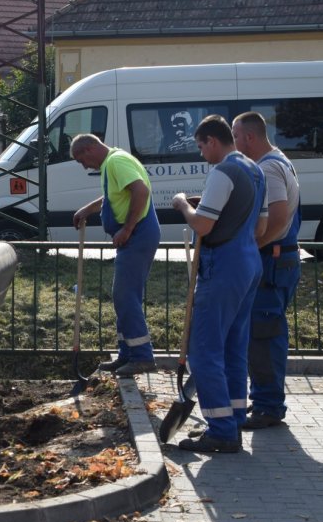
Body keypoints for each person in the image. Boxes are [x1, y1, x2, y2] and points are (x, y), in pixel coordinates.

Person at [171, 115, 267, 454]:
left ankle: (222, 431)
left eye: (200, 146)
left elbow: (203, 226)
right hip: (249, 262)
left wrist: (183, 203)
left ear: (213, 140)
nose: (201, 154)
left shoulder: (222, 172)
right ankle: (234, 417)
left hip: (224, 266)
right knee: (232, 348)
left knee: (204, 350)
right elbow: (260, 226)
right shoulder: (255, 170)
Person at [232, 111, 302, 430]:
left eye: (235, 136)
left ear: (249, 137)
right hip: (277, 259)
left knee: (264, 335)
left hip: (273, 261)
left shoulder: (269, 168)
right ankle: (263, 400)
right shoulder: (277, 162)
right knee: (261, 335)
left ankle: (268, 407)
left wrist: (253, 246)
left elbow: (276, 217)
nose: (233, 143)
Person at [71, 133, 160, 376]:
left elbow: (140, 191)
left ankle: (142, 356)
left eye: (81, 160)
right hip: (136, 236)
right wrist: (88, 209)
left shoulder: (116, 162)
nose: (84, 166)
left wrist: (128, 228)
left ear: (89, 149)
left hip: (138, 234)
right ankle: (127, 353)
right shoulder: (114, 162)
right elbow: (114, 197)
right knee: (123, 296)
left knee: (125, 295)